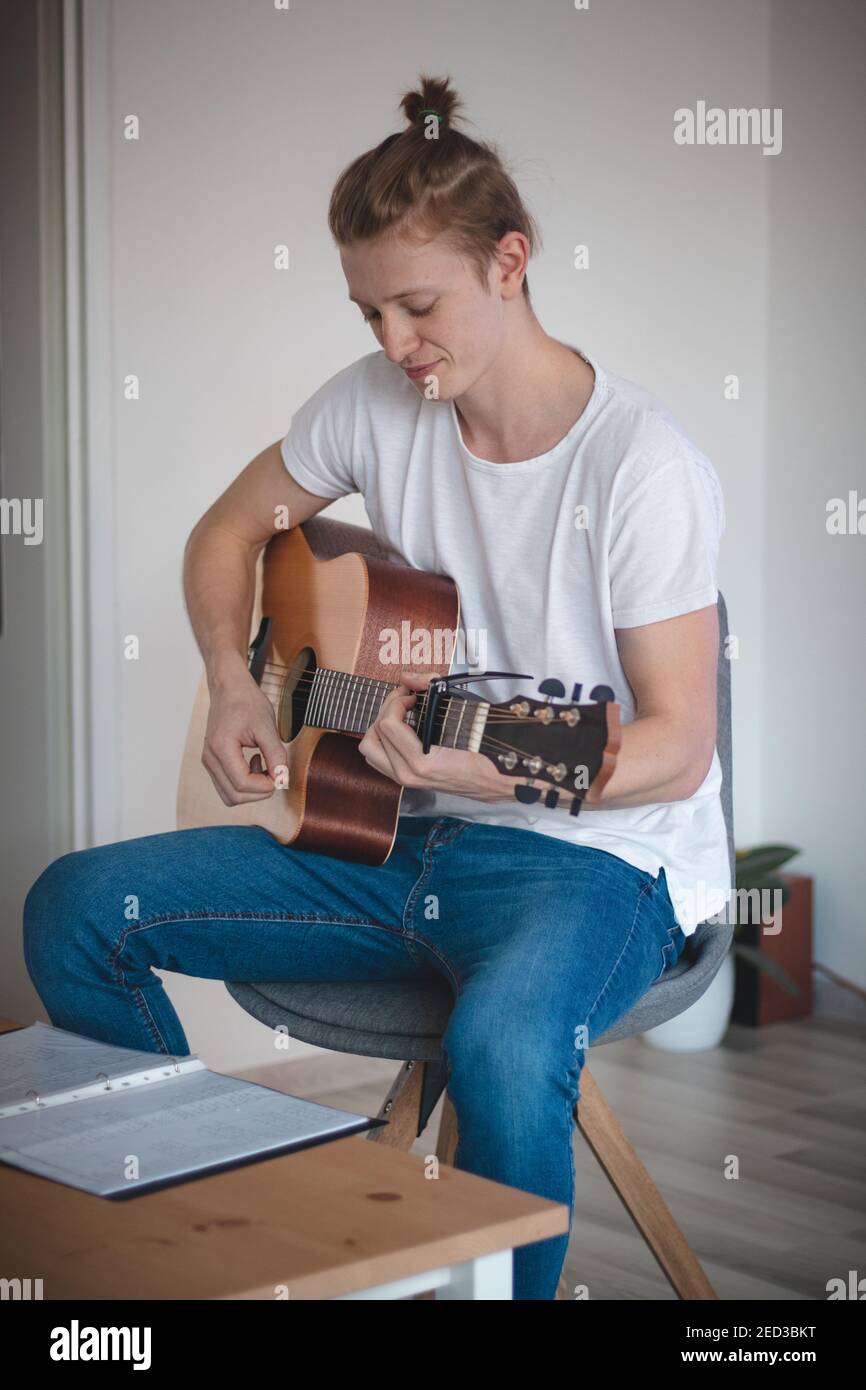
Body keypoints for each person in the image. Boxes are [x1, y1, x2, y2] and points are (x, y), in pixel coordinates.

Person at [23, 74, 730, 1300]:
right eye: (369, 316)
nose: (395, 347)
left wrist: (488, 765)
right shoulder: (374, 407)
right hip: (396, 841)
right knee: (76, 907)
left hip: (599, 865)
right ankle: (211, 1241)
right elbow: (226, 529)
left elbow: (672, 748)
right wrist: (232, 681)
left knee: (504, 1040)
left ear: (510, 262)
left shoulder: (639, 466)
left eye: (417, 306)